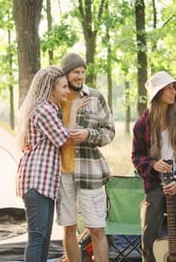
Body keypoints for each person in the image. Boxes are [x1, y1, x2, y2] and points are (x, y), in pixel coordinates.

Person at [17, 66, 88, 262]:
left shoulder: (48, 109)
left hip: (44, 183)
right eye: (64, 87)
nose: (67, 91)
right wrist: (73, 109)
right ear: (51, 88)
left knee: (43, 236)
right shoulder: (44, 110)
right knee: (38, 236)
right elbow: (66, 138)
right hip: (36, 181)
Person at [131, 71, 176, 262]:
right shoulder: (141, 124)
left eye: (173, 87)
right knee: (149, 235)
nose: (173, 91)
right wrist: (153, 164)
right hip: (155, 183)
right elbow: (136, 157)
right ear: (157, 93)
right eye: (168, 88)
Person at [56, 53, 115, 262]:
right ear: (66, 74)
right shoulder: (56, 98)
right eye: (75, 72)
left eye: (82, 72)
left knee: (97, 229)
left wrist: (89, 135)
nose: (80, 76)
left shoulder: (95, 97)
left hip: (90, 172)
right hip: (62, 172)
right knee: (69, 228)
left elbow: (110, 132)